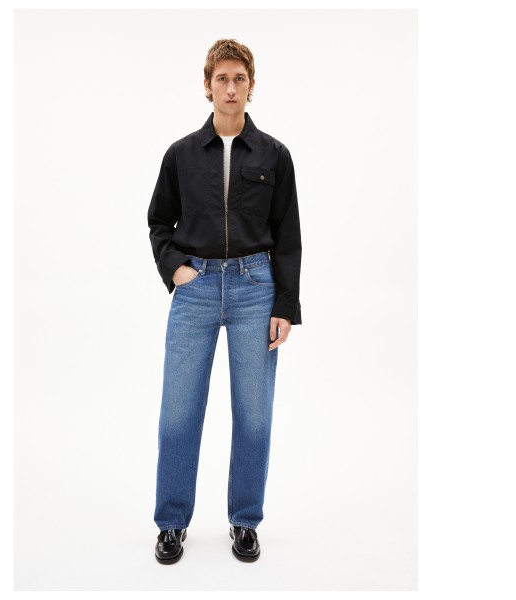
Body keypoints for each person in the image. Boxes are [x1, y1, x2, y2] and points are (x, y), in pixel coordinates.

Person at [148, 38, 302, 564]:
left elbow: (288, 236)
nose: (231, 88)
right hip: (195, 290)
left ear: (251, 86)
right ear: (208, 86)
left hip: (256, 289)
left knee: (254, 416)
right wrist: (176, 269)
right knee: (178, 414)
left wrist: (285, 305)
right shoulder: (181, 154)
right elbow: (158, 222)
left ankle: (245, 520)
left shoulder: (275, 155)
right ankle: (172, 522)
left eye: (239, 79)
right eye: (222, 79)